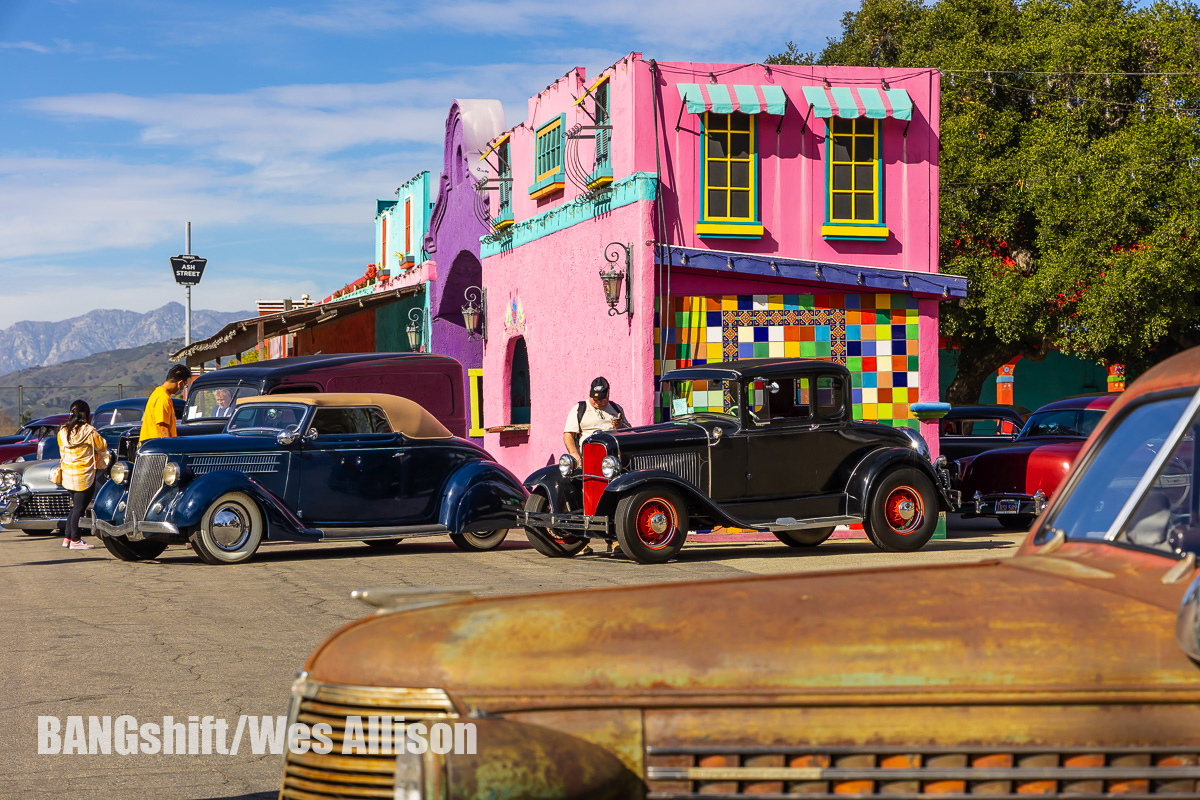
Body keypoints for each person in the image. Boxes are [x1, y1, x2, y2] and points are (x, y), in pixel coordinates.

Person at [563, 376, 627, 555]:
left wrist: (620, 426)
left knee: (613, 497)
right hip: (586, 461)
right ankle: (582, 541)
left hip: (610, 463)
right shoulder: (580, 408)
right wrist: (575, 455)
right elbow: (568, 434)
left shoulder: (616, 409)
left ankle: (613, 540)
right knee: (584, 499)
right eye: (594, 398)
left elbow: (629, 432)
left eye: (601, 399)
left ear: (608, 395)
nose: (597, 402)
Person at [57, 400, 107, 550]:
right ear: (87, 414)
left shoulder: (62, 432)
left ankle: (67, 537)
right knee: (79, 507)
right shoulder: (90, 432)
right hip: (84, 475)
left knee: (74, 507)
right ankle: (76, 540)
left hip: (68, 474)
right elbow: (102, 446)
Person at [139, 364, 192, 446]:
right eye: (184, 385)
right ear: (180, 383)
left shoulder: (159, 393)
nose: (182, 388)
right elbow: (163, 428)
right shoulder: (163, 398)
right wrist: (170, 449)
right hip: (157, 448)